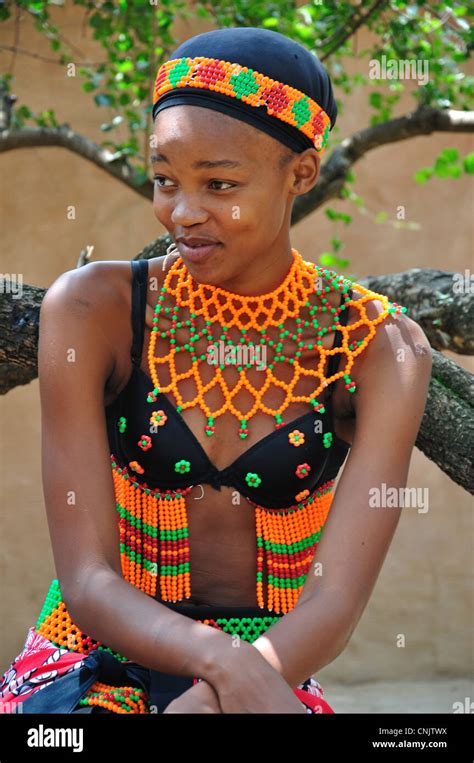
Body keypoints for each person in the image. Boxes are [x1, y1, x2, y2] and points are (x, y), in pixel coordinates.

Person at [0, 26, 432, 714]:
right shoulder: (95, 310)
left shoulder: (378, 349)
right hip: (91, 658)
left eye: (219, 183)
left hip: (276, 663)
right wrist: (224, 667)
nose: (183, 211)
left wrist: (225, 691)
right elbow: (86, 577)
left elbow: (335, 600)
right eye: (165, 179)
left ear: (302, 173)